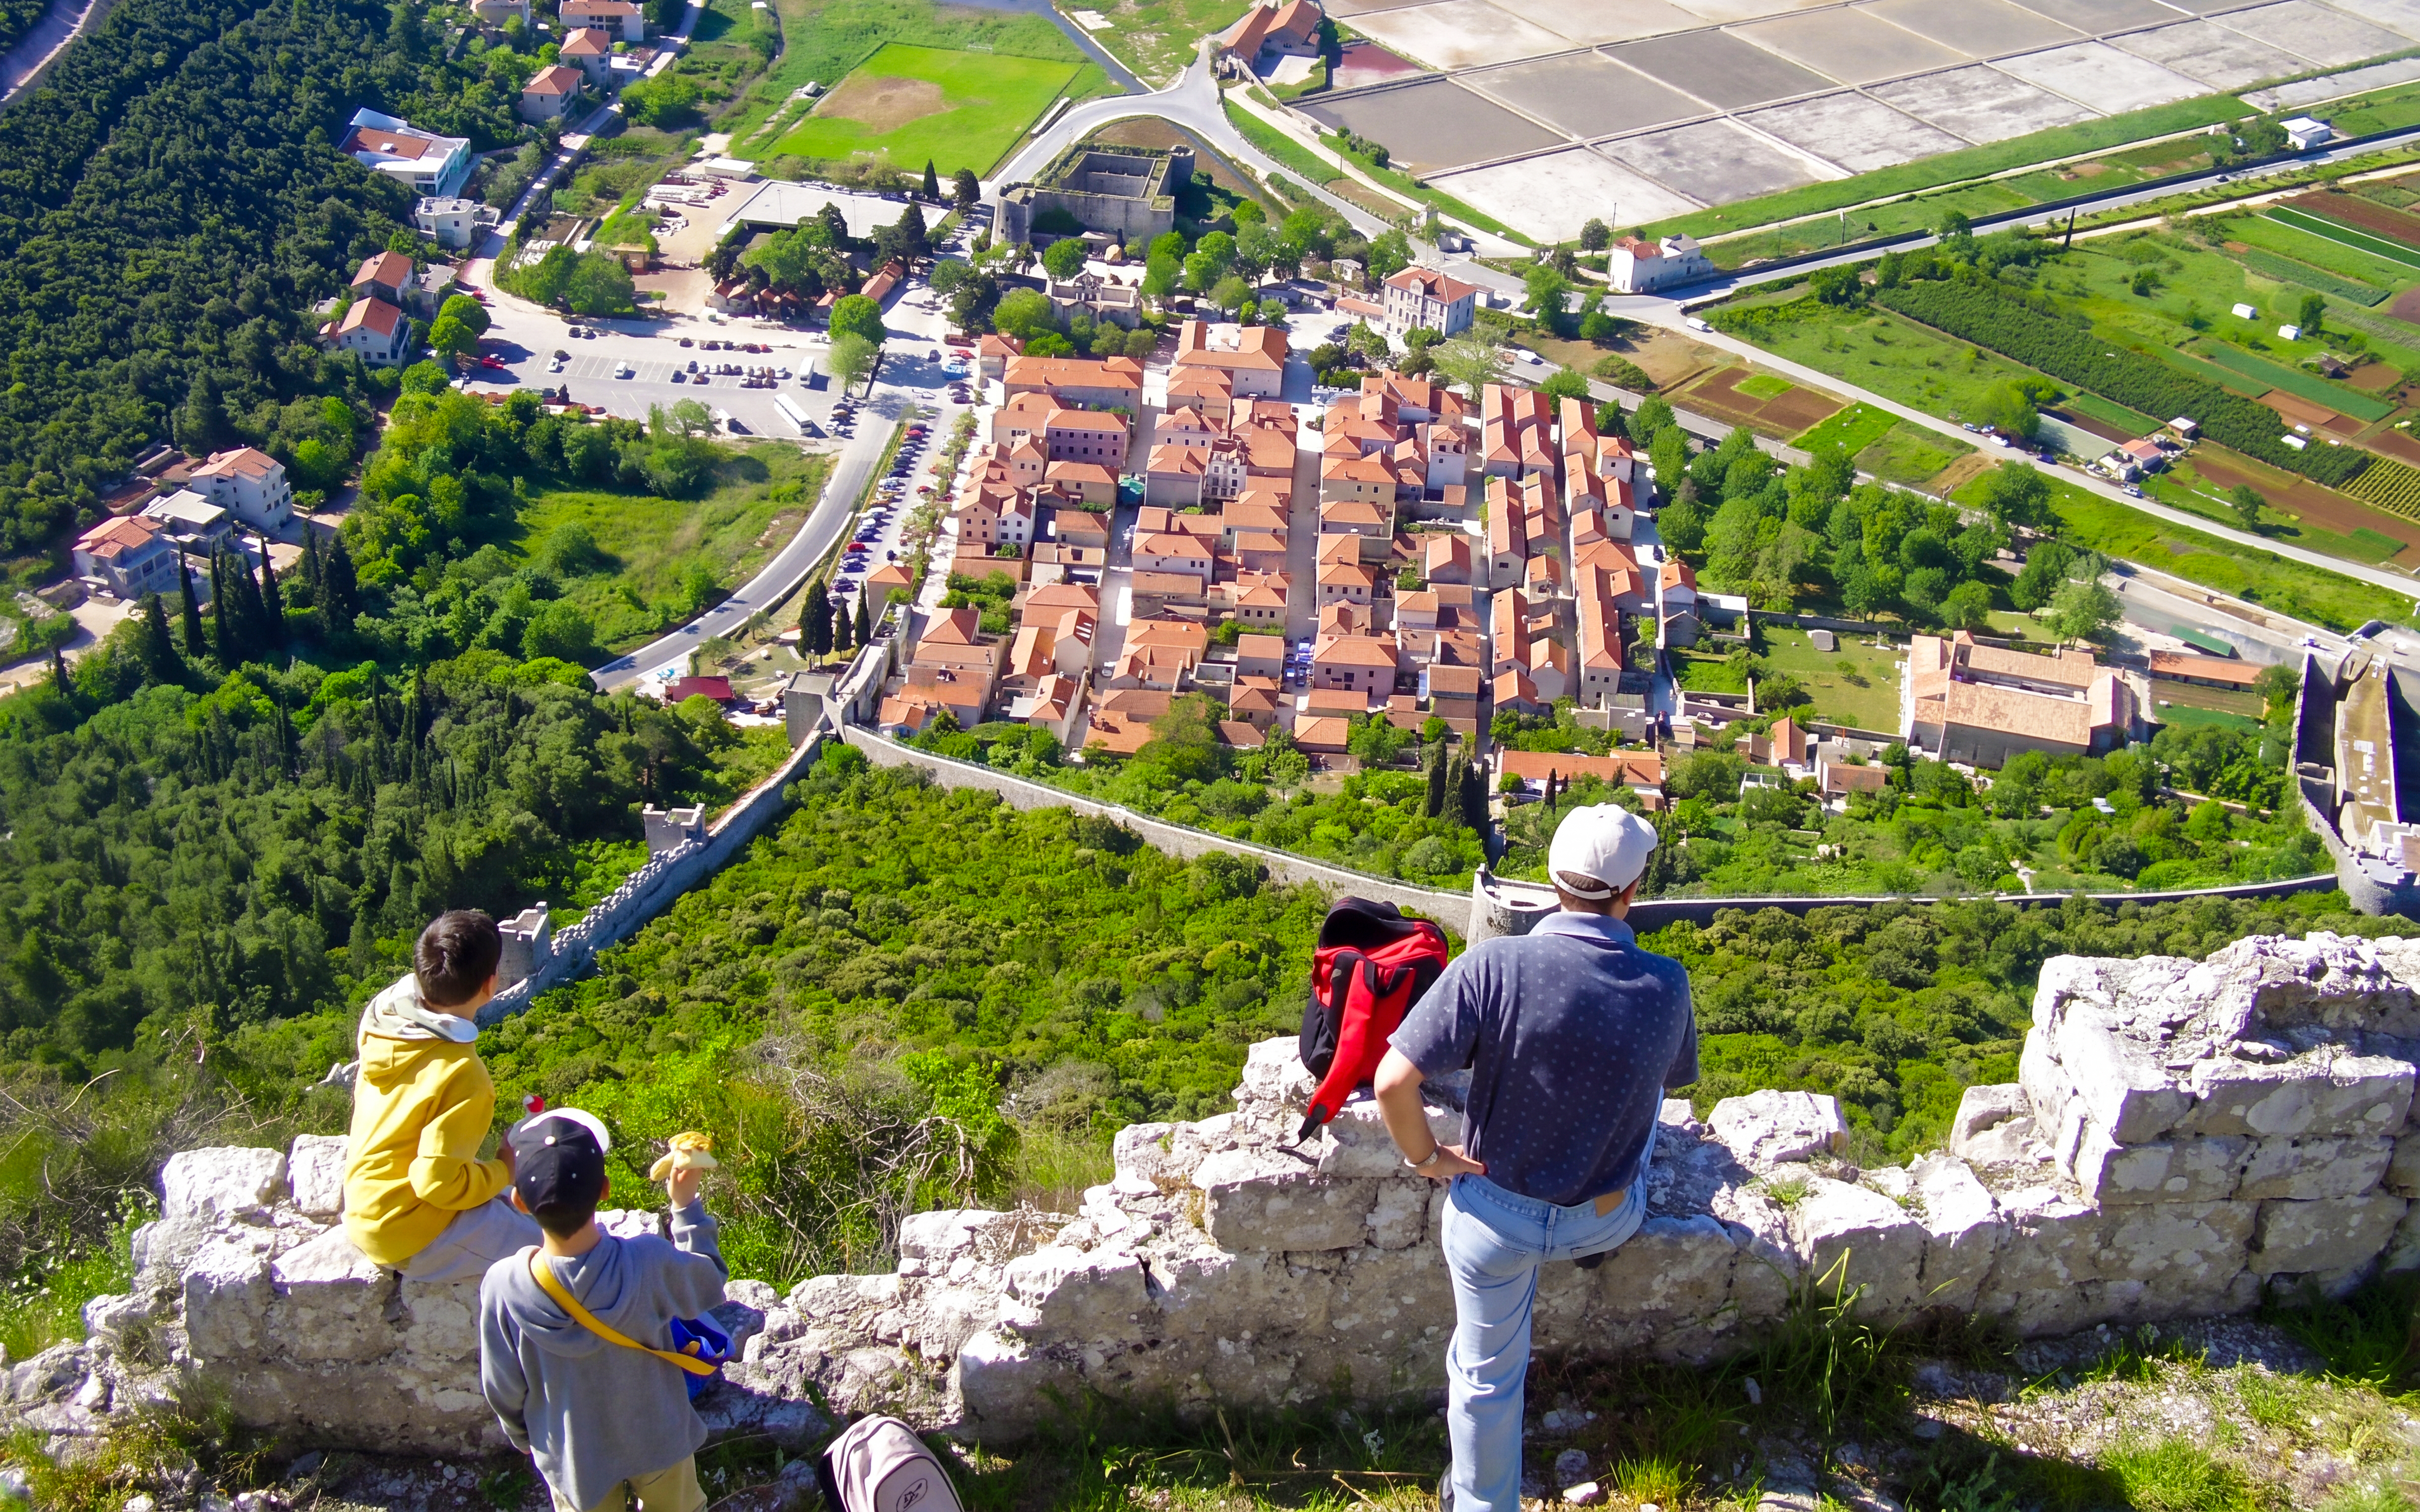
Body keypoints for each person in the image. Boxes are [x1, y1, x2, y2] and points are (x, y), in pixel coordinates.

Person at [1371, 805, 1698, 1512]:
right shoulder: (1668, 983)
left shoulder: (1494, 965)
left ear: (1552, 883)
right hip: (1604, 1216)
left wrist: (1428, 1158)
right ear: (1632, 892)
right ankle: (1582, 1238)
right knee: (1645, 1131)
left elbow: (1393, 1081)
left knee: (1486, 1373)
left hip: (1494, 1217)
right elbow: (1667, 1086)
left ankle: (1482, 1502)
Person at [479, 1109, 730, 1512]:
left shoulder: (503, 1285)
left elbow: (503, 1385)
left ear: (519, 1202)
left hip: (574, 1456)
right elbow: (710, 1280)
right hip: (658, 1436)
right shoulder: (648, 1261)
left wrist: (525, 1438)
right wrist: (685, 1209)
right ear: (605, 1190)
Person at [343, 910, 541, 1281]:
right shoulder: (463, 1074)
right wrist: (504, 1169)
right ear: (491, 984)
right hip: (407, 1231)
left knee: (514, 1209)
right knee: (561, 1251)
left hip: (369, 1202)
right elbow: (436, 1183)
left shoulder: (386, 1028)